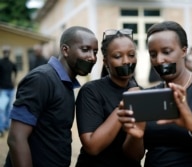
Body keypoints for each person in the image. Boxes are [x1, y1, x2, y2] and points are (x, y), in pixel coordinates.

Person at [117, 21, 192, 167]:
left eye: (166, 52)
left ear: (184, 51)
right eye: (153, 54)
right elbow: (133, 157)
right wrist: (136, 135)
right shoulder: (147, 97)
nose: (159, 60)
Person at [4, 26, 98, 167]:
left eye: (95, 52)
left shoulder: (66, 83)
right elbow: (16, 138)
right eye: (85, 49)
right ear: (65, 50)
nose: (92, 57)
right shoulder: (42, 79)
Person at [75, 28, 141, 167]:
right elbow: (92, 147)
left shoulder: (139, 93)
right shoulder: (91, 91)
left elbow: (137, 155)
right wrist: (126, 102)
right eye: (117, 56)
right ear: (106, 62)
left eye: (131, 55)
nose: (126, 61)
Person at [0, 45, 17, 137]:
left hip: (10, 89)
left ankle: (6, 126)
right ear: (3, 52)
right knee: (1, 109)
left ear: (9, 53)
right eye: (5, 51)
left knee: (8, 109)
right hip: (2, 89)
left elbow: (15, 72)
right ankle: (1, 129)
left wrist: (14, 80)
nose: (6, 52)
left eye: (8, 51)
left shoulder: (12, 63)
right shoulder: (0, 62)